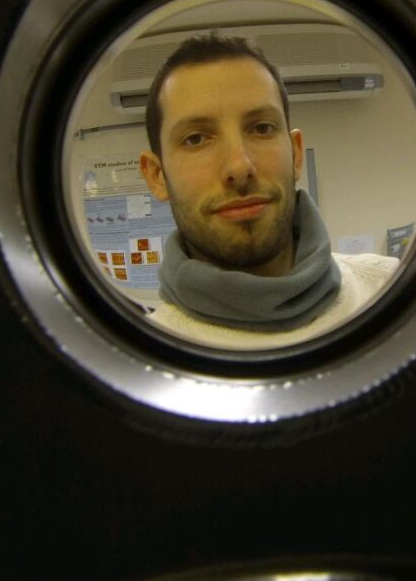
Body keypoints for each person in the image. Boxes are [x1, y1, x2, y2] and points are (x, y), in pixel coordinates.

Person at [137, 33, 399, 347]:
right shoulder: (135, 362)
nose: (238, 167)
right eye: (195, 139)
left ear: (296, 153)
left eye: (261, 128)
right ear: (157, 176)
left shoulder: (398, 291)